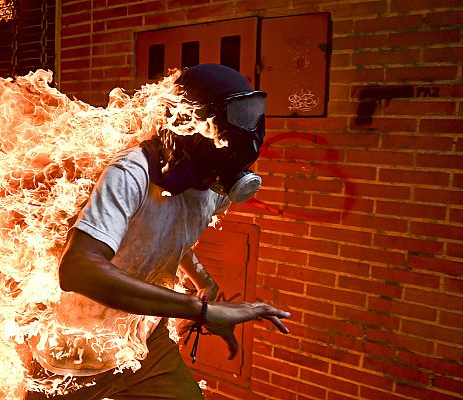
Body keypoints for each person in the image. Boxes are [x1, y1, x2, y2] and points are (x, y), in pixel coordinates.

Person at [26, 64, 291, 399]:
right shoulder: (131, 172)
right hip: (79, 352)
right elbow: (78, 268)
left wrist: (204, 284)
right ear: (190, 125)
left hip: (145, 342)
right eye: (238, 116)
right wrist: (200, 310)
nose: (217, 187)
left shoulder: (214, 186)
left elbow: (169, 236)